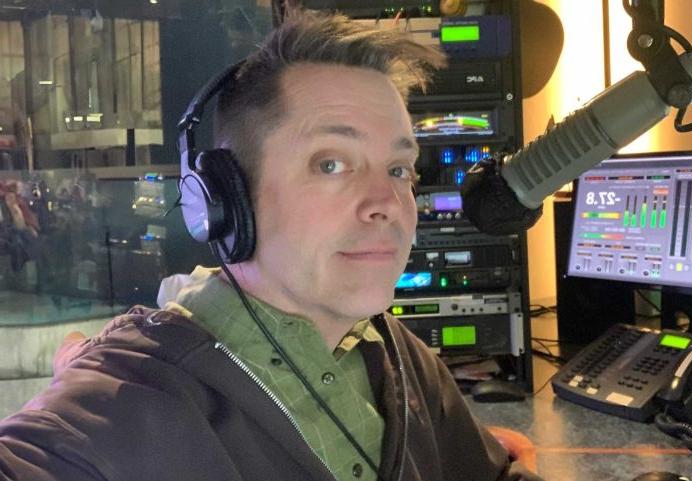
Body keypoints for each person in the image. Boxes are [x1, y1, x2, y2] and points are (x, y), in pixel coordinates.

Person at [0, 8, 544, 481]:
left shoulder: (400, 356)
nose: (387, 201)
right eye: (330, 163)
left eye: (399, 168)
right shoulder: (116, 406)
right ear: (224, 200)